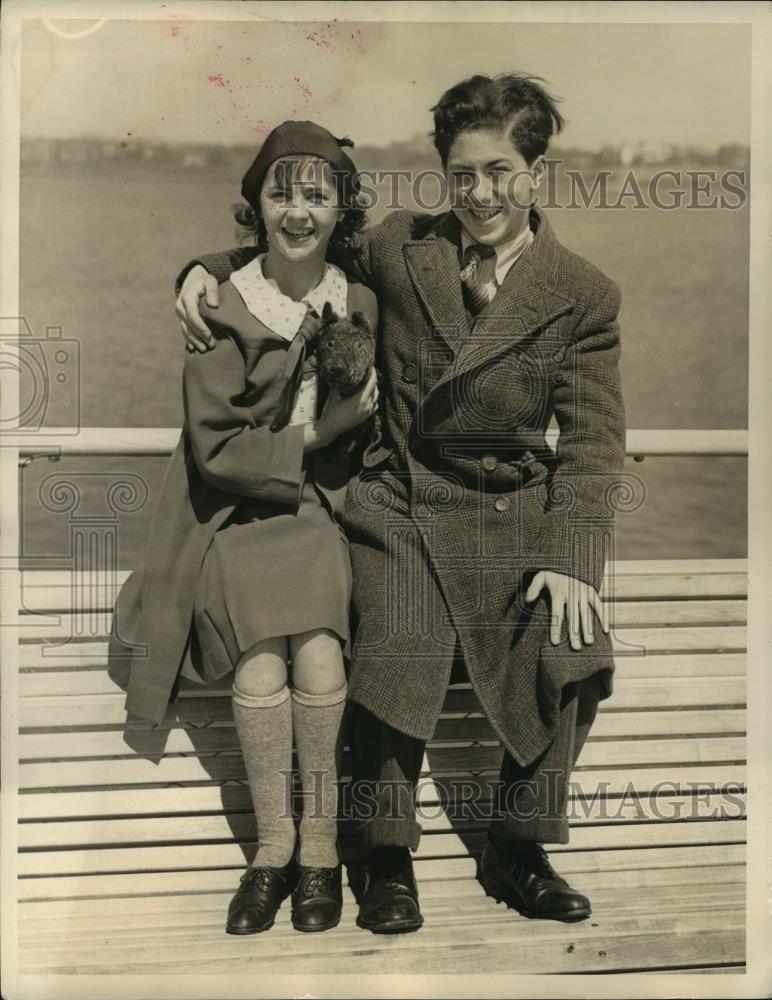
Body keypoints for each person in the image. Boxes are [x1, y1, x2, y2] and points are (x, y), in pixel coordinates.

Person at [175, 73, 626, 933]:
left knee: (575, 643)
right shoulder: (398, 246)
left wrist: (572, 561)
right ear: (443, 176)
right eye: (462, 175)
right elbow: (298, 254)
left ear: (539, 172)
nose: (480, 194)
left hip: (511, 518)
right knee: (401, 631)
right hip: (400, 502)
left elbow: (597, 442)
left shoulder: (584, 294)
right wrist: (203, 271)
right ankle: (384, 852)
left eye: (499, 171)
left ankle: (516, 845)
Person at [109, 121, 379, 935]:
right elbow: (217, 451)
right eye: (281, 194)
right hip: (232, 516)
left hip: (317, 514)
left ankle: (324, 853)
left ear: (341, 212)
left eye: (317, 196)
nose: (299, 212)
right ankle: (274, 851)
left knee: (322, 655)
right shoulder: (220, 304)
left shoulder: (357, 298)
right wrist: (322, 435)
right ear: (256, 206)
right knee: (260, 668)